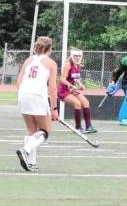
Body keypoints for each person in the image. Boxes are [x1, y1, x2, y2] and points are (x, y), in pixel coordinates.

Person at [15, 36, 59, 172]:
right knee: (45, 131)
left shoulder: (29, 60)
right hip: (38, 96)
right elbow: (52, 87)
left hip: (23, 95)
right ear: (49, 49)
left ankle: (31, 162)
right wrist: (54, 108)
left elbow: (18, 82)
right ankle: (26, 150)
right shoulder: (51, 63)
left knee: (31, 130)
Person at [58, 48, 96, 134]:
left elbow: (76, 79)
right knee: (77, 103)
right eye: (76, 56)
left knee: (85, 102)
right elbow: (62, 79)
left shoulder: (78, 65)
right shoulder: (68, 65)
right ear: (72, 56)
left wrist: (81, 85)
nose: (78, 57)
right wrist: (70, 85)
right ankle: (78, 128)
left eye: (79, 56)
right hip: (63, 90)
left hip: (72, 90)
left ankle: (88, 126)